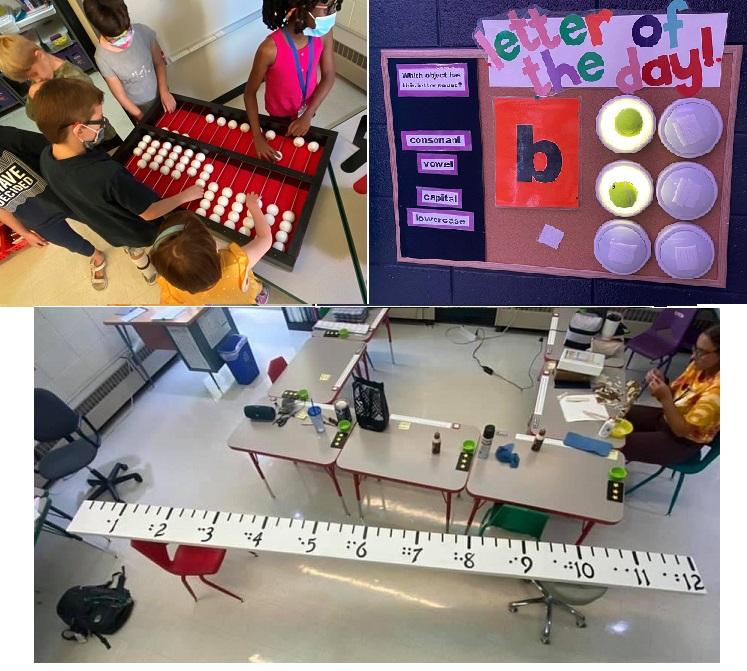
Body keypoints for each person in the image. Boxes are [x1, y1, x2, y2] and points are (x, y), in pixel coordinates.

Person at [33, 78, 201, 283]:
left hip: (110, 229)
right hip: (141, 229)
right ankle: (157, 263)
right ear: (78, 130)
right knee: (155, 242)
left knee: (130, 245)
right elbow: (150, 213)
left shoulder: (46, 156)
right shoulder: (106, 175)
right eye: (99, 119)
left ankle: (143, 267)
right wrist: (185, 195)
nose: (103, 123)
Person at [0, 126, 107, 289]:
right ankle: (96, 256)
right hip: (34, 217)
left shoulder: (4, 136)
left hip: (62, 194)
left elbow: (48, 147)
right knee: (70, 242)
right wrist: (24, 233)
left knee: (101, 218)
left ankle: (124, 239)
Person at [244, 0, 341, 161]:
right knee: (283, 149)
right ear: (302, 10)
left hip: (309, 106)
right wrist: (258, 137)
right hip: (278, 113)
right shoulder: (268, 50)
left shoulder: (324, 34)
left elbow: (329, 75)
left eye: (334, 6)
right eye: (328, 8)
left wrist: (308, 115)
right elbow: (249, 94)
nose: (332, 14)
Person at [621, 325, 720, 466]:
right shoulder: (699, 366)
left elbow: (681, 431)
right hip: (667, 419)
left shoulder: (718, 392)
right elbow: (676, 397)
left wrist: (665, 397)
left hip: (681, 442)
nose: (693, 356)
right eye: (695, 349)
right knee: (615, 412)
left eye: (702, 353)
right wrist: (662, 383)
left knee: (615, 444)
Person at [150, 193, 273, 305]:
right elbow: (265, 238)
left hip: (205, 300)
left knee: (211, 299)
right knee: (252, 290)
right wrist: (253, 205)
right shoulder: (234, 263)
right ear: (214, 243)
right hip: (242, 293)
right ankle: (258, 297)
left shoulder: (173, 287)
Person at [0, 34, 119, 148]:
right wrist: (31, 95)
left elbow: (91, 108)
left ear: (39, 55)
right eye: (29, 78)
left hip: (100, 137)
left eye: (34, 74)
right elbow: (33, 115)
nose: (36, 80)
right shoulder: (41, 79)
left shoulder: (73, 78)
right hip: (76, 143)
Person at [83, 0, 176, 122]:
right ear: (101, 31)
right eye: (116, 39)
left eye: (127, 32)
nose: (125, 40)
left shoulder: (143, 32)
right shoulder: (102, 57)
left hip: (162, 94)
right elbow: (120, 95)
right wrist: (141, 117)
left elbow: (159, 64)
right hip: (139, 107)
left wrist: (164, 91)